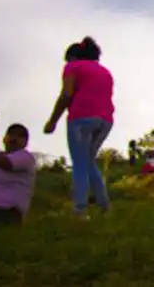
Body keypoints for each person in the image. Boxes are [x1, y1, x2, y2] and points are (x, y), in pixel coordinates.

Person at [43, 36, 114, 219]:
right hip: (105, 121)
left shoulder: (72, 67)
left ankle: (79, 209)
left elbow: (66, 94)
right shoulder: (105, 71)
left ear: (73, 57)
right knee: (89, 161)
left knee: (80, 164)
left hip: (81, 119)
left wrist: (52, 121)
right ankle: (104, 206)